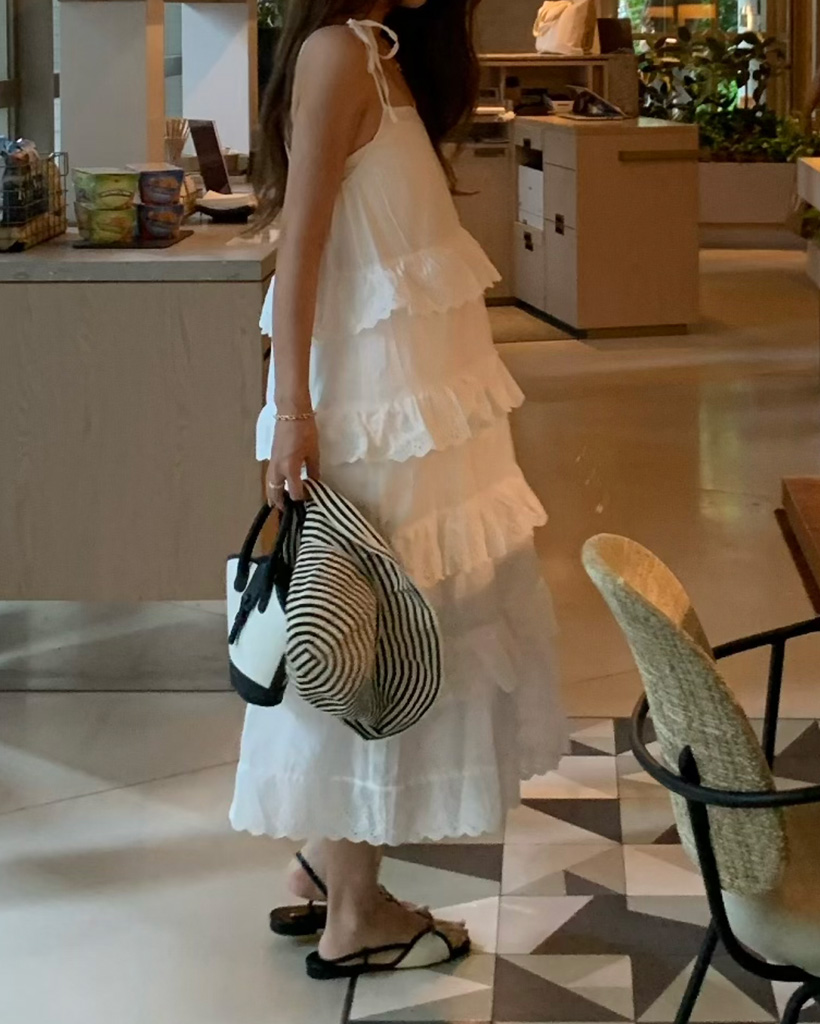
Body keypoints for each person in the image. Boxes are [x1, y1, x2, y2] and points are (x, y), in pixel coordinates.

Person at [230, 0, 568, 979]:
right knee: (372, 638)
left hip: (414, 409)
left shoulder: (380, 54)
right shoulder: (339, 53)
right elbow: (302, 243)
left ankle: (323, 865)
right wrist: (293, 411)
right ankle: (357, 913)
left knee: (393, 628)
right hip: (373, 415)